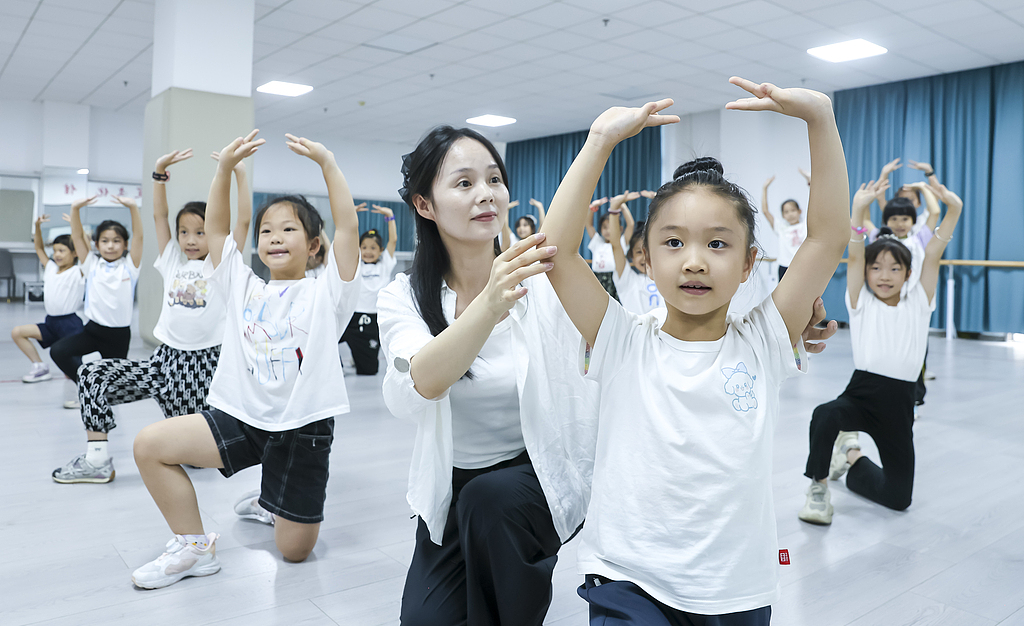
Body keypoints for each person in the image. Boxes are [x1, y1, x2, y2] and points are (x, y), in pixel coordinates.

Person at [541, 77, 850, 623]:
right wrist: (599, 141)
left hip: (734, 589)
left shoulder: (764, 341)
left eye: (717, 243)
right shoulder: (622, 339)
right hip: (626, 578)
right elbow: (557, 251)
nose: (694, 261)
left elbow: (826, 238)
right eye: (673, 242)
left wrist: (820, 121)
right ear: (647, 257)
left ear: (750, 262)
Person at [377, 125, 600, 626]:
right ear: (425, 205)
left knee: (491, 502)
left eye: (494, 179)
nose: (486, 194)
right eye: (463, 183)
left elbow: (624, 332)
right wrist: (489, 304)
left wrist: (600, 138)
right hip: (454, 487)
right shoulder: (404, 297)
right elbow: (423, 381)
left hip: (535, 472)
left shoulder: (540, 279)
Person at [129, 130, 362, 589]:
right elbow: (216, 230)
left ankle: (269, 499)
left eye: (289, 229)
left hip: (303, 427)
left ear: (316, 246)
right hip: (242, 416)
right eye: (267, 231)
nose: (275, 237)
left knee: (294, 553)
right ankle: (194, 548)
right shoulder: (242, 285)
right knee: (150, 446)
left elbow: (348, 229)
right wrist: (222, 171)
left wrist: (328, 165)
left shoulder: (327, 291)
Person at [50, 149, 251, 485]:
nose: (189, 240)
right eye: (184, 232)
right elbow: (160, 217)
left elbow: (242, 221)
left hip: (202, 367)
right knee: (91, 374)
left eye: (200, 232)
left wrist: (239, 174)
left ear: (214, 234)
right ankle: (97, 460)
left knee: (197, 460)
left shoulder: (222, 263)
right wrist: (159, 174)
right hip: (162, 362)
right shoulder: (173, 259)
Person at [799, 177, 962, 525]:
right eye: (875, 268)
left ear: (907, 274)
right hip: (862, 393)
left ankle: (851, 455)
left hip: (900, 404)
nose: (883, 275)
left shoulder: (920, 301)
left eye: (894, 269)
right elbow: (855, 252)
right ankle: (818, 487)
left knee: (899, 498)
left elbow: (934, 251)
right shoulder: (860, 302)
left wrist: (954, 209)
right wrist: (858, 209)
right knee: (826, 414)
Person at [50, 195, 143, 410]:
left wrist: (132, 208)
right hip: (93, 331)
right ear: (96, 244)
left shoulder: (130, 266)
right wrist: (75, 210)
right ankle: (85, 385)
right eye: (105, 241)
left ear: (125, 244)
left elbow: (139, 236)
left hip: (118, 335)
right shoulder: (91, 264)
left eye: (116, 240)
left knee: (115, 387)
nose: (110, 246)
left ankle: (100, 396)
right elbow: (77, 236)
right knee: (59, 351)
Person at [12, 216, 84, 383]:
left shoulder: (77, 272)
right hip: (51, 323)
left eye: (62, 251)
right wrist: (37, 227)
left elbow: (84, 248)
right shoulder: (51, 268)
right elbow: (38, 247)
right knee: (17, 332)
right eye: (55, 250)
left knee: (71, 372)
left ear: (74, 253)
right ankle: (39, 366)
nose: (57, 254)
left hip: (70, 325)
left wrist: (75, 225)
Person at [340, 203, 398, 374]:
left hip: (373, 317)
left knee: (369, 371)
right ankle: (337, 366)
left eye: (373, 248)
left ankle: (358, 357)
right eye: (364, 247)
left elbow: (393, 240)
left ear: (380, 251)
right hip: (352, 315)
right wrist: (349, 215)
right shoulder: (356, 263)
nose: (368, 251)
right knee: (326, 338)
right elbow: (346, 238)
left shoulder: (385, 264)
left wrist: (390, 216)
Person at [607, 196, 662, 316]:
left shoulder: (667, 278)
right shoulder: (627, 279)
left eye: (650, 251)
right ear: (631, 255)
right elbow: (616, 245)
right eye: (639, 252)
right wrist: (614, 210)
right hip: (637, 334)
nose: (645, 257)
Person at [761, 174, 806, 281]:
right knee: (784, 296)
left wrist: (810, 183)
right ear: (783, 215)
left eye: (793, 210)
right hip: (784, 266)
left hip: (802, 266)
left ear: (799, 211)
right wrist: (765, 188)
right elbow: (765, 211)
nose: (790, 214)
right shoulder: (781, 227)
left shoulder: (805, 226)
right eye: (786, 212)